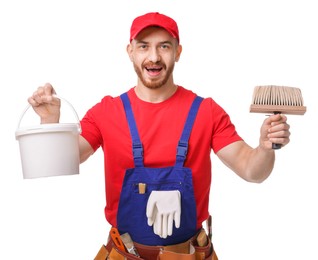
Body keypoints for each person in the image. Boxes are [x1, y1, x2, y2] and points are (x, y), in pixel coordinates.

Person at [27, 12, 290, 260]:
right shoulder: (106, 112)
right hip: (124, 253)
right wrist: (49, 120)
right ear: (130, 51)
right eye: (143, 46)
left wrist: (266, 147)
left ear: (178, 51)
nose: (154, 57)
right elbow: (63, 161)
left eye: (164, 46)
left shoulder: (206, 111)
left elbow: (251, 170)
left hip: (188, 254)